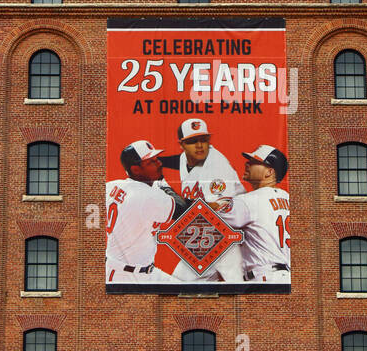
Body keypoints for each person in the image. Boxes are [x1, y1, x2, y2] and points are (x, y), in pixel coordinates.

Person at [159, 118, 246, 282]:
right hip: (208, 240)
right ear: (182, 145)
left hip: (233, 239)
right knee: (179, 284)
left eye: (204, 140)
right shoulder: (187, 157)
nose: (200, 145)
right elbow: (179, 161)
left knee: (240, 289)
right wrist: (158, 162)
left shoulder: (217, 166)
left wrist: (171, 196)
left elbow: (215, 210)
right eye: (193, 141)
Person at [105, 140, 186, 284]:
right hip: (124, 278)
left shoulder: (112, 185)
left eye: (156, 159)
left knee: (187, 296)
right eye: (151, 162)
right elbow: (182, 209)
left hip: (140, 271)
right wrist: (163, 183)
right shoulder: (147, 196)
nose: (159, 163)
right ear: (136, 169)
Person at [211, 145, 290, 284]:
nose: (247, 163)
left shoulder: (251, 200)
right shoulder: (289, 198)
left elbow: (210, 214)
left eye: (254, 162)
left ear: (269, 172)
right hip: (286, 278)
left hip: (265, 277)